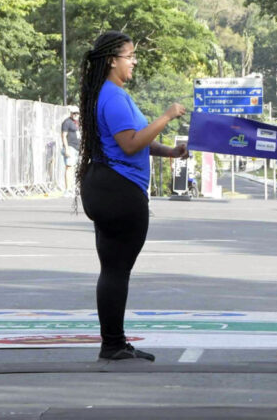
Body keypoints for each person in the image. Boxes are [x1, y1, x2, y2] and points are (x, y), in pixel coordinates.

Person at [77, 30, 188, 362]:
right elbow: (129, 143)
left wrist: (169, 151)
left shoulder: (112, 94)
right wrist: (167, 116)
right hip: (118, 190)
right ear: (113, 60)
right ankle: (112, 343)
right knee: (116, 270)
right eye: (130, 56)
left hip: (106, 185)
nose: (134, 61)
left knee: (112, 268)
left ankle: (113, 342)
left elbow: (135, 140)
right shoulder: (112, 97)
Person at [61, 105, 81, 196]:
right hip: (70, 146)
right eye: (74, 113)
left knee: (77, 168)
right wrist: (66, 148)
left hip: (78, 147)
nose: (76, 115)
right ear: (71, 113)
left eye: (77, 113)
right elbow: (64, 135)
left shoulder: (79, 122)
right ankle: (67, 189)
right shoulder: (67, 122)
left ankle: (74, 187)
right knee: (69, 167)